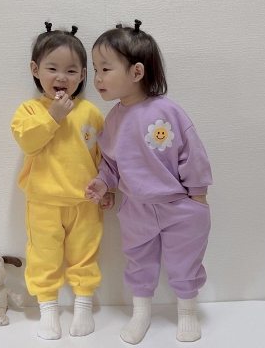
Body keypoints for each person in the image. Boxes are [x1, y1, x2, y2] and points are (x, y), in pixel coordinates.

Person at [86, 20, 212, 344]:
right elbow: (111, 163)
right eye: (95, 69)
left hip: (178, 206)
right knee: (138, 261)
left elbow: (192, 153)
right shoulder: (113, 119)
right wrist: (103, 183)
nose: (97, 78)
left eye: (105, 69)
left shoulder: (167, 111)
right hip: (136, 209)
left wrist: (198, 197)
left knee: (185, 261)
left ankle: (187, 312)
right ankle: (141, 313)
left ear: (137, 72)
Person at [11, 22, 114, 340]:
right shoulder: (30, 110)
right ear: (35, 69)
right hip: (43, 202)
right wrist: (52, 116)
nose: (61, 77)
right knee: (44, 256)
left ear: (82, 75)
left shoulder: (91, 112)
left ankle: (83, 307)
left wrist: (106, 186)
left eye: (70, 71)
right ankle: (48, 310)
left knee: (85, 254)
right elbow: (28, 143)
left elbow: (103, 156)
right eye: (52, 68)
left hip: (85, 201)